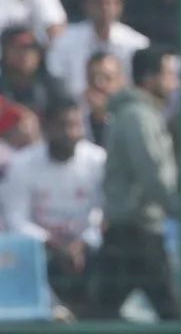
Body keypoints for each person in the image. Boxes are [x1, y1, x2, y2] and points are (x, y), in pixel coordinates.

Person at [98, 46, 181, 321]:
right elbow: (152, 174)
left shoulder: (142, 114)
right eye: (169, 75)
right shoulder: (139, 117)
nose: (175, 84)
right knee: (171, 312)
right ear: (149, 78)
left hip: (132, 226)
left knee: (103, 311)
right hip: (137, 229)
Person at [0, 97, 106, 318]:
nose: (70, 133)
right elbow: (15, 219)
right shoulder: (23, 163)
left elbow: (102, 212)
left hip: (88, 251)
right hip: (41, 252)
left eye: (76, 126)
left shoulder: (97, 160)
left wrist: (82, 243)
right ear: (46, 127)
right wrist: (52, 243)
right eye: (63, 126)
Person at [46, 0, 149, 98]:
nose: (105, 7)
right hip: (76, 110)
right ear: (86, 4)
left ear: (120, 6)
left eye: (111, 2)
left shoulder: (137, 44)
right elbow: (57, 83)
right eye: (99, 1)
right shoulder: (63, 41)